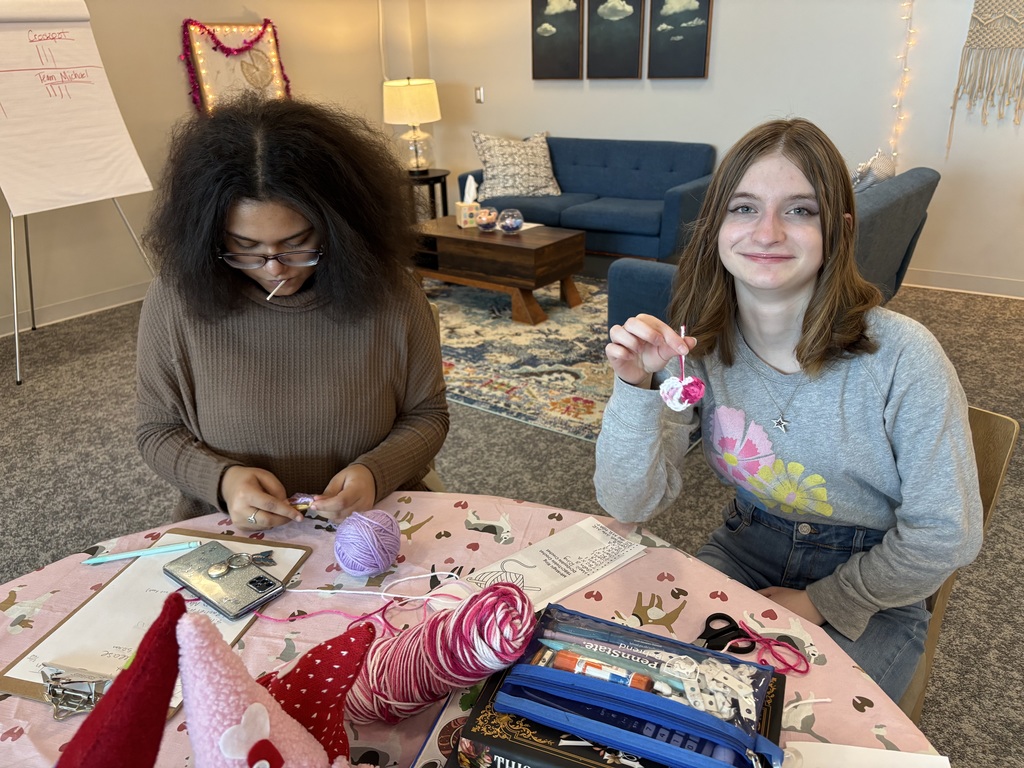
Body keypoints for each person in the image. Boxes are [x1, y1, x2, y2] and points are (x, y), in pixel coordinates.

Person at [594, 117, 982, 701]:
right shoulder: (696, 349)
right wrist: (635, 389)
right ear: (716, 226)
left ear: (838, 230)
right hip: (746, 547)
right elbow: (630, 503)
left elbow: (946, 536)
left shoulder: (904, 356)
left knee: (793, 730)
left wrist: (824, 601)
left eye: (800, 210)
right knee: (653, 696)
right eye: (744, 208)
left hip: (873, 583)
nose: (767, 231)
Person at [137, 94, 449, 529]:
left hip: (377, 521)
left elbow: (428, 415)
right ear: (210, 234)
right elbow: (158, 430)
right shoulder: (175, 299)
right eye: (245, 247)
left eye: (297, 242)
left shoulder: (392, 293)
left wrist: (376, 473)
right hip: (232, 529)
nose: (275, 268)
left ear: (339, 225)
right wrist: (224, 482)